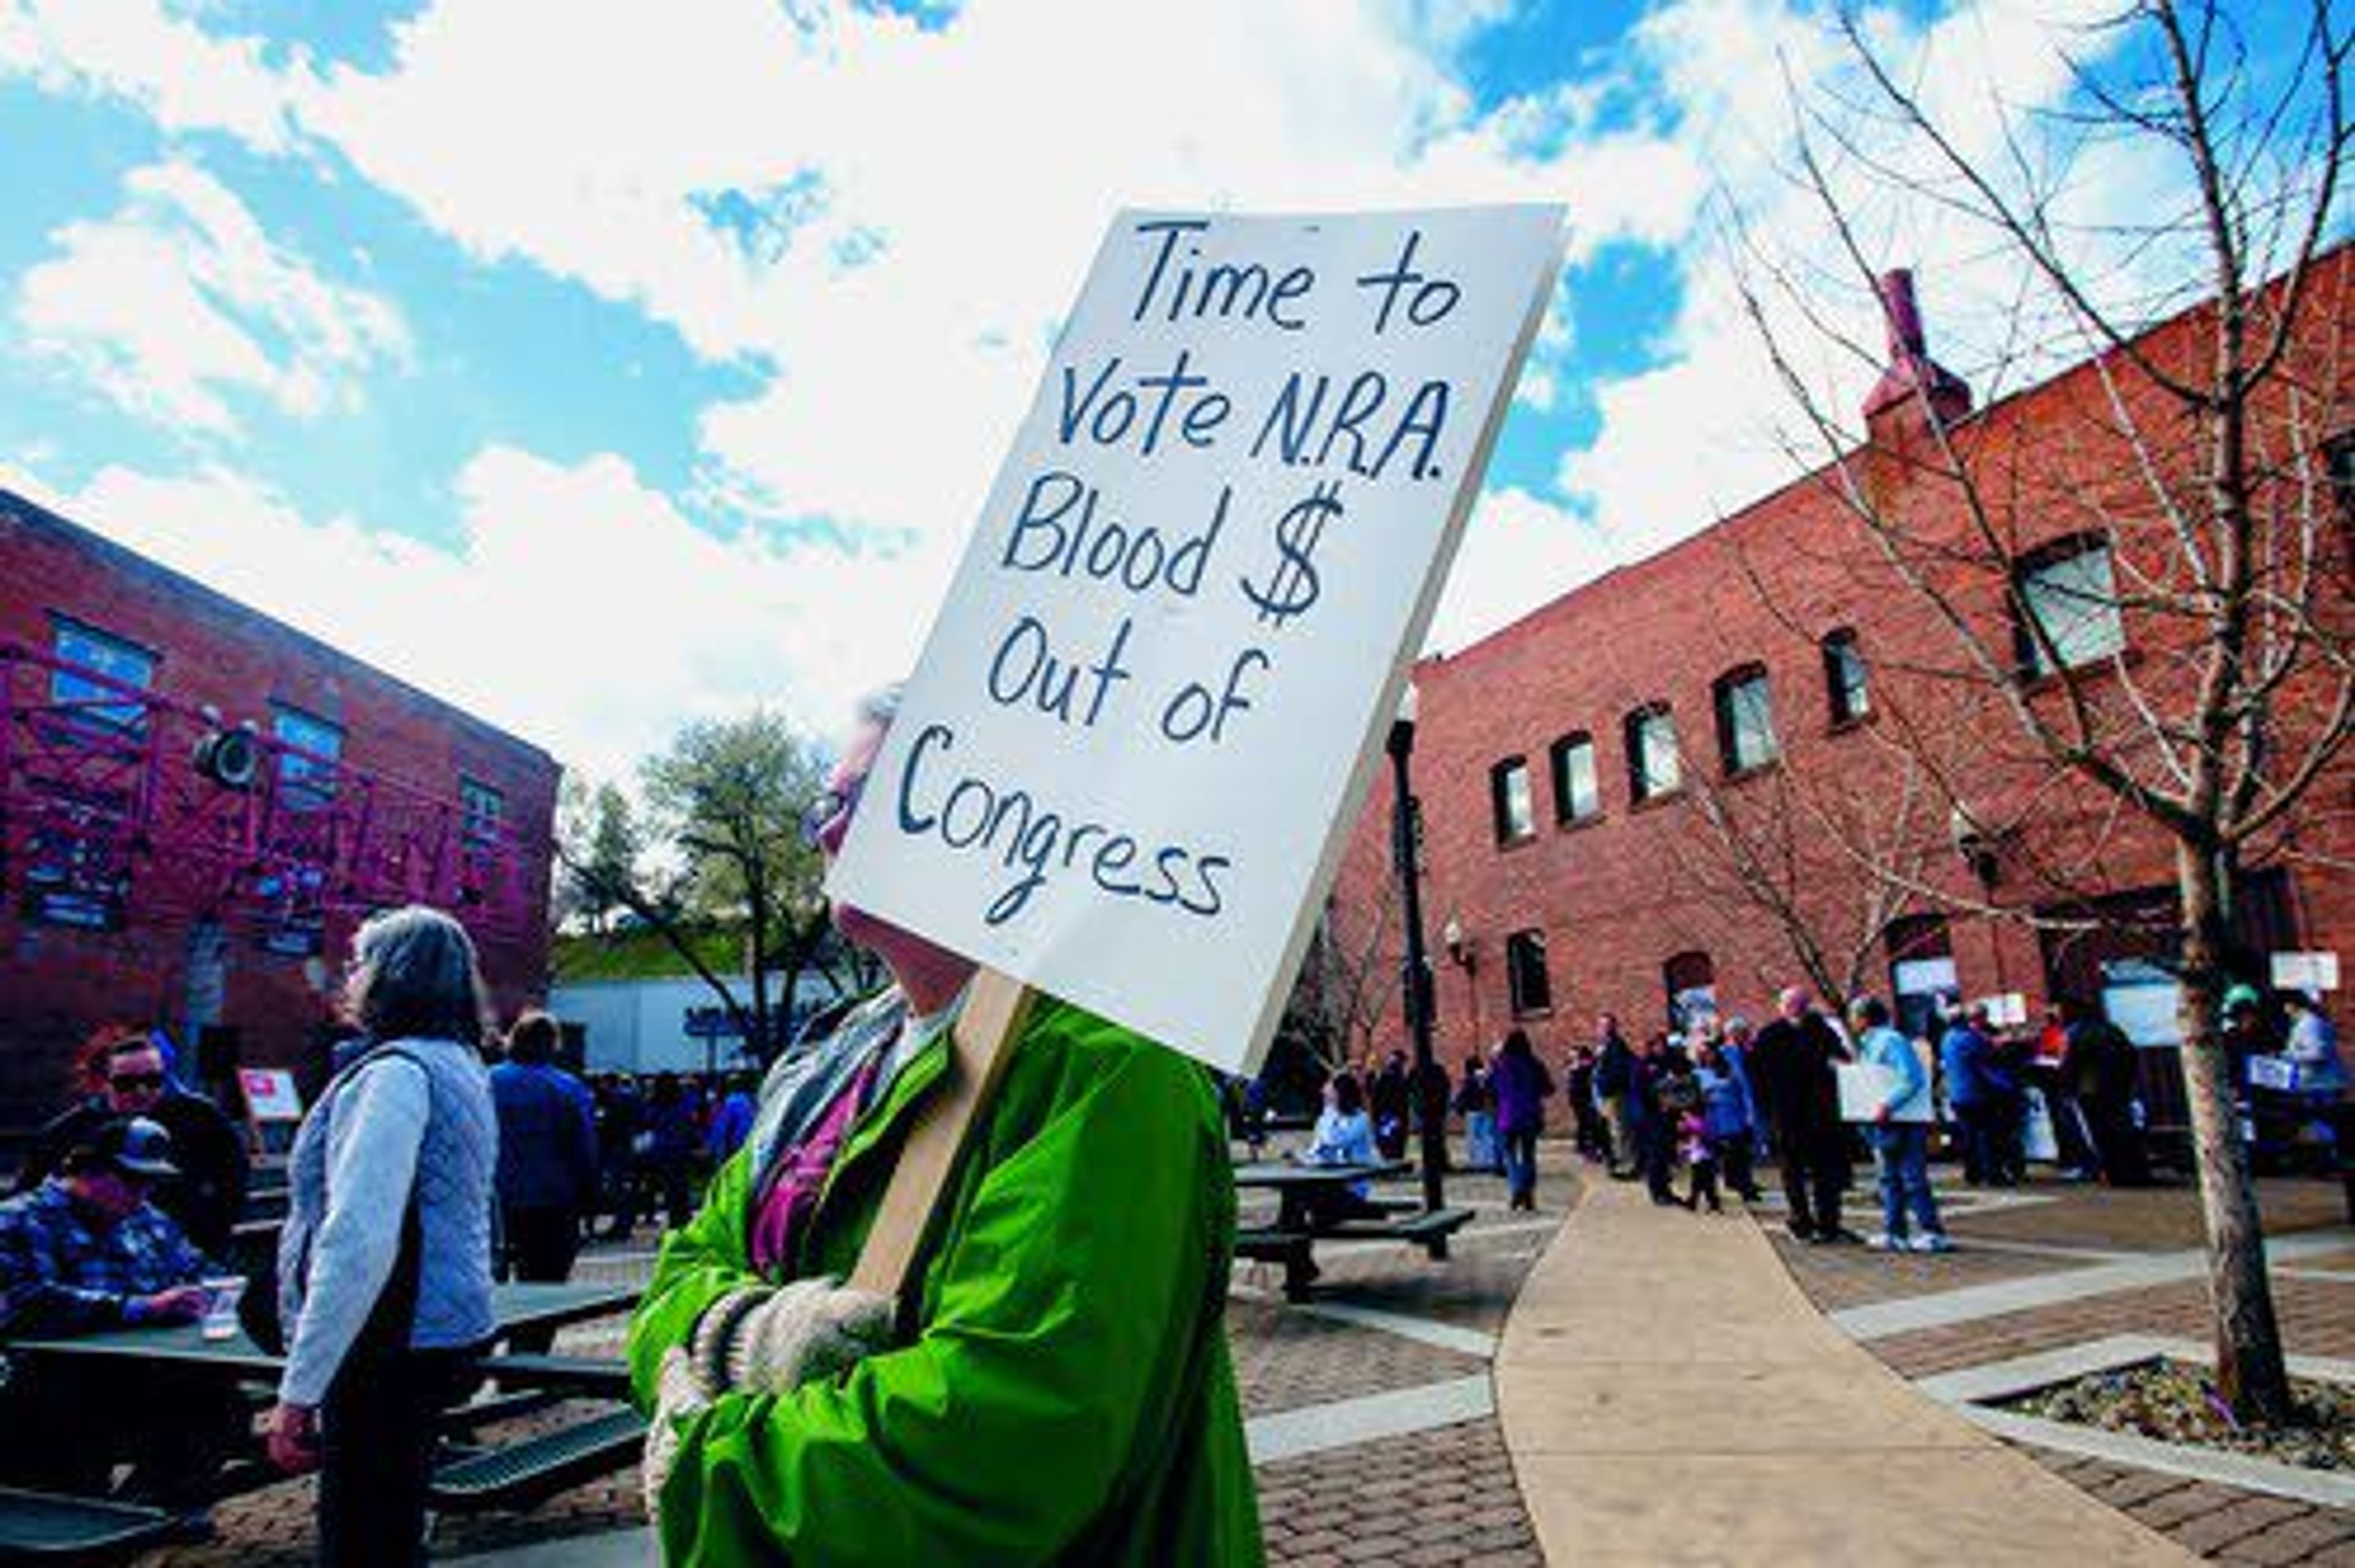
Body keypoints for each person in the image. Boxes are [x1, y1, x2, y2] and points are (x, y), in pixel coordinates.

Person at [626, 687, 1261, 1564]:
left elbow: (1001, 1437)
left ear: (991, 808)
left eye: (872, 798)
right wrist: (751, 1336)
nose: (829, 830)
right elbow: (677, 1274)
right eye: (829, 801)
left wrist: (714, 1462)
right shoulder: (822, 1066)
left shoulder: (1107, 1063)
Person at [266, 905, 500, 1568]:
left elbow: (358, 1238)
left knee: (361, 1536)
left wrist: (299, 1389)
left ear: (391, 976)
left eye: (362, 961)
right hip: (440, 1327)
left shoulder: (395, 1074)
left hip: (386, 1336)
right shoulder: (460, 1063)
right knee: (394, 1527)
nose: (353, 974)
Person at [0, 1117, 245, 1530]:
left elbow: (200, 1266)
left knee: (219, 1398)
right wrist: (139, 1307)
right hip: (44, 1383)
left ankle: (154, 1506)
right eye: (132, 1181)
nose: (143, 1193)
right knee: (68, 1429)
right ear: (87, 1171)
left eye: (150, 1183)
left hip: (133, 1372)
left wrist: (207, 1293)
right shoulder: (19, 1219)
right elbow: (22, 1301)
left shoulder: (145, 1217)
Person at [17, 1027, 251, 1259]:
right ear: (104, 1082)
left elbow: (234, 1180)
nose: (141, 1091)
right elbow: (30, 1193)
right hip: (93, 1256)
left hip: (182, 1249)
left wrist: (210, 1237)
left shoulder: (200, 1117)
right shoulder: (68, 1132)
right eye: (126, 1084)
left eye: (153, 1081)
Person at [489, 1009, 597, 1355]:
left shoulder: (486, 1081)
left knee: (489, 1283)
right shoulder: (566, 1087)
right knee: (545, 1286)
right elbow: (583, 1147)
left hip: (495, 1201)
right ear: (551, 1045)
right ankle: (527, 1361)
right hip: (552, 1200)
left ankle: (481, 1357)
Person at [1748, 986, 1857, 1244]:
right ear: (1782, 1007)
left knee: (1827, 1173)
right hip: (1787, 1116)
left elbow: (1842, 1061)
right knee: (1793, 1172)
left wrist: (1837, 1066)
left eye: (1801, 1004)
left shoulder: (1821, 1031)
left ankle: (1829, 1224)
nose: (1797, 1008)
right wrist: (1766, 1113)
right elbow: (1758, 1079)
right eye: (1791, 1004)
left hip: (1822, 1115)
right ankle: (1801, 1222)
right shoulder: (1770, 1036)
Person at [1851, 997, 1950, 1253]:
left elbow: (1913, 1079)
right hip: (1885, 1121)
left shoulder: (1890, 1041)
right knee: (1889, 1178)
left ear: (1864, 1018)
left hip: (1901, 1119)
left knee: (1912, 1178)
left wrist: (1889, 1105)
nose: (1852, 1022)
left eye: (1854, 1016)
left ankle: (1933, 1232)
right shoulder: (1870, 1044)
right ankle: (1895, 1233)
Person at [2059, 996, 2148, 1187]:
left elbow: (2069, 1064)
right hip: (2117, 1089)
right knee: (2123, 1129)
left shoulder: (2075, 1033)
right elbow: (2131, 1056)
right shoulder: (2113, 1030)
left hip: (2089, 1090)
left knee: (2097, 1134)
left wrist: (2067, 1088)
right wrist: (2125, 1082)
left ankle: (2109, 1174)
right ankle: (2135, 1172)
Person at [1294, 1071, 1386, 1228]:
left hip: (1351, 1187)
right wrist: (1302, 1157)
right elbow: (1316, 1150)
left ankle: (1356, 1210)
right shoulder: (1326, 1119)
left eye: (1329, 1090)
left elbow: (1335, 1141)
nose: (1323, 1092)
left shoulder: (1360, 1119)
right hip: (1329, 1181)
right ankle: (1288, 1227)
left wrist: (1328, 1115)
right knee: (1295, 1190)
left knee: (1309, 1194)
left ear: (1340, 1093)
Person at [1939, 1003, 2017, 1186]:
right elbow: (1992, 1055)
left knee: (1969, 1139)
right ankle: (1993, 1175)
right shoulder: (1970, 1038)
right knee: (1990, 1137)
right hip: (1978, 1095)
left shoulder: (1947, 1038)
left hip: (1958, 1095)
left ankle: (1972, 1175)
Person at [1491, 1028, 1554, 1212]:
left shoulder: (1500, 1064)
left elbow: (1489, 1088)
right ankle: (1528, 1193)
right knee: (1529, 1155)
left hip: (1507, 1116)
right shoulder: (1535, 1064)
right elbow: (1548, 1089)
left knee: (1509, 1154)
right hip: (1530, 1116)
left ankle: (1517, 1186)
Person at [1693, 1036, 1758, 1205]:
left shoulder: (1731, 1070)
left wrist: (1750, 1116)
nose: (1707, 1057)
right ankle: (1710, 1195)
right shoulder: (1696, 1074)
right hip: (1710, 1120)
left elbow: (1745, 1092)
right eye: (1703, 1054)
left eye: (1710, 1053)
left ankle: (1745, 1188)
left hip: (1733, 1118)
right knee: (1708, 1160)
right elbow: (1691, 1098)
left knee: (1739, 1157)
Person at [1593, 1014, 1637, 1179]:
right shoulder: (1605, 1046)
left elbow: (1618, 1071)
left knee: (1619, 1130)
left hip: (1615, 1095)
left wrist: (1606, 1084)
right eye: (1600, 1025)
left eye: (1605, 1026)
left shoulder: (1617, 1045)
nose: (1601, 1029)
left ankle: (1625, 1165)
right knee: (1612, 1130)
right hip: (1606, 1096)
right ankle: (1619, 1162)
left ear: (1612, 1027)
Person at [1454, 1052, 1499, 1175]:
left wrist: (1459, 1108)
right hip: (1487, 1110)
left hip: (1473, 1111)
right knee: (1488, 1136)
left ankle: (1478, 1162)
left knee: (1475, 1138)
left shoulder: (1469, 1080)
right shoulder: (1488, 1077)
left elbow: (1464, 1095)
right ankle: (1490, 1161)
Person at [1369, 1049, 1412, 1161]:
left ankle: (1390, 1160)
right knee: (1394, 1141)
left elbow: (1374, 1095)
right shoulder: (1396, 1076)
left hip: (1387, 1115)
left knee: (1388, 1140)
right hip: (1393, 1114)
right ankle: (1393, 1161)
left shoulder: (1385, 1076)